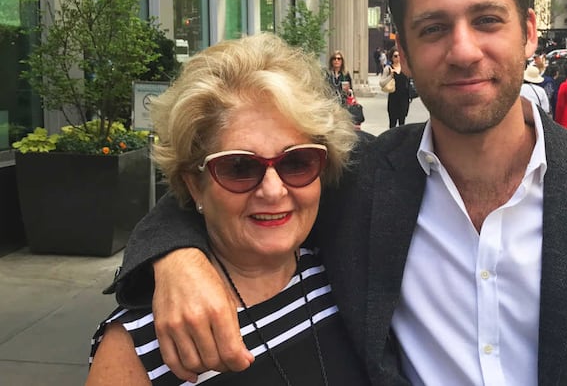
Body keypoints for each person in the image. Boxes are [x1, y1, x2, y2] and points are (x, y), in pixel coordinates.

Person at [109, 0, 567, 385]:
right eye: (434, 27)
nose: (464, 50)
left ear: (527, 32)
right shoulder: (365, 178)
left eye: (487, 20)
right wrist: (176, 258)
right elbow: (231, 179)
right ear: (404, 53)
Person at [86, 34, 368, 385]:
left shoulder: (348, 270)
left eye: (297, 162)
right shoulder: (146, 341)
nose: (273, 189)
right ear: (193, 184)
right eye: (239, 167)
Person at [379, 46, 412, 128]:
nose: (398, 58)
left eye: (399, 55)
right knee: (392, 122)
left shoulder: (405, 68)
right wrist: (390, 76)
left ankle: (401, 140)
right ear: (391, 57)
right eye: (395, 56)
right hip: (393, 98)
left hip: (404, 98)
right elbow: (382, 83)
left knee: (402, 121)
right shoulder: (388, 68)